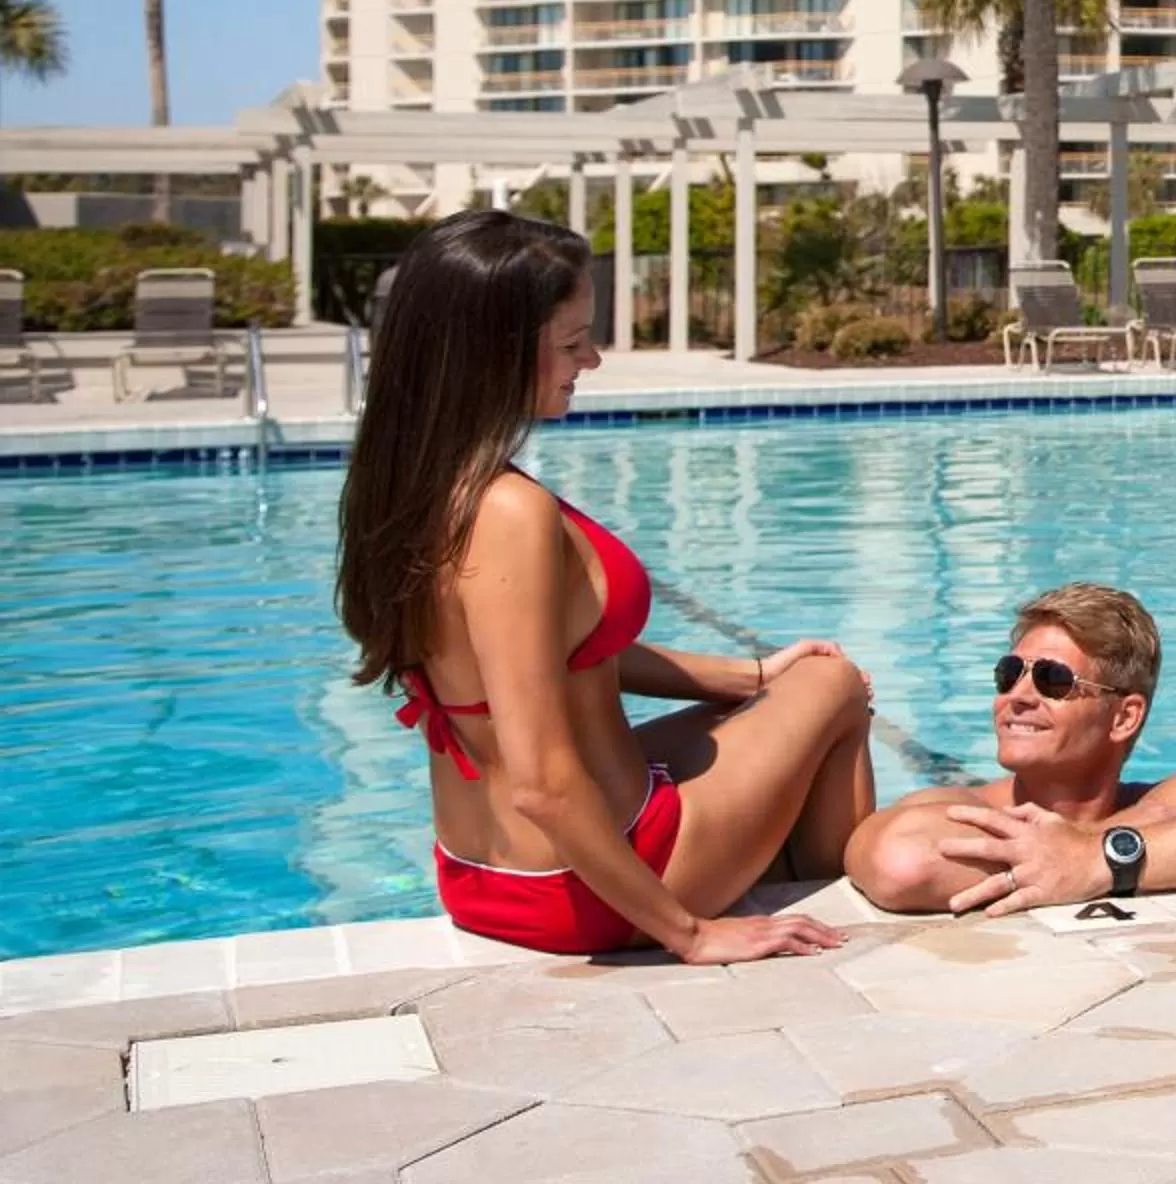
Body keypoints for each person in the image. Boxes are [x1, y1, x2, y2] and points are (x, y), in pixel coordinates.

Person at [334, 209, 877, 963]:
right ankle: (828, 895)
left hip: (480, 877)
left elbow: (549, 656)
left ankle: (775, 864)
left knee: (789, 687)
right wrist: (691, 935)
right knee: (835, 683)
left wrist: (750, 675)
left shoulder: (409, 491)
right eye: (570, 343)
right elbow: (540, 782)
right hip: (591, 884)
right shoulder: (508, 512)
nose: (589, 360)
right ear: (492, 354)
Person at [845, 584, 1176, 915]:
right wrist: (1115, 843)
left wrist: (1092, 858)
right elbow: (900, 862)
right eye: (1009, 673)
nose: (1018, 696)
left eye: (1053, 680)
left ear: (1124, 717)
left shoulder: (1166, 798)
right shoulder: (962, 807)